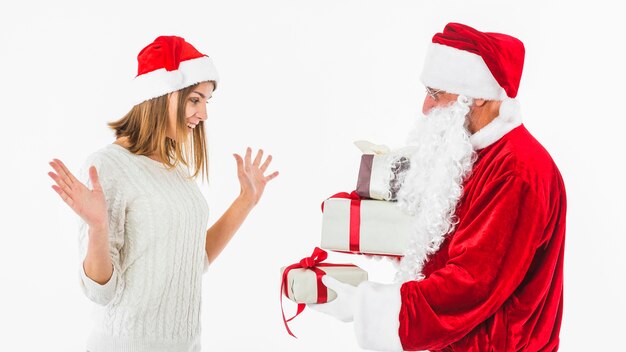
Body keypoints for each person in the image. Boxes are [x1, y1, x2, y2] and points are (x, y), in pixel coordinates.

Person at [310, 23, 567, 351]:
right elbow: (447, 243)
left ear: (474, 97)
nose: (425, 108)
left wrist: (362, 306)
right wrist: (367, 227)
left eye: (434, 94)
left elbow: (470, 285)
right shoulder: (473, 156)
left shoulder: (516, 171)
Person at [47, 35, 278, 352]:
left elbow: (193, 260)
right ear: (161, 95)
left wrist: (245, 202)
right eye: (195, 100)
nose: (203, 115)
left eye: (206, 102)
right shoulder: (109, 166)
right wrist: (98, 227)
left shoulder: (175, 172)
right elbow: (100, 292)